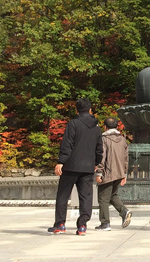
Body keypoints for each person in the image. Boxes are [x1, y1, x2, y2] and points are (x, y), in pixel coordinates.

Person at [48, 98, 103, 236]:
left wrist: (61, 161)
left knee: (63, 195)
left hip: (71, 165)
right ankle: (82, 225)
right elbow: (99, 149)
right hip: (88, 166)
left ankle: (60, 224)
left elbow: (67, 144)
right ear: (90, 110)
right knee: (86, 196)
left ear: (76, 110)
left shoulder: (73, 124)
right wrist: (96, 162)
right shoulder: (97, 129)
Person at [94, 117, 132, 231]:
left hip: (107, 172)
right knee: (113, 195)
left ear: (105, 127)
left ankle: (105, 223)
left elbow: (102, 156)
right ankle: (124, 212)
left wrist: (99, 172)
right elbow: (126, 158)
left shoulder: (104, 139)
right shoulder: (123, 139)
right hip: (119, 172)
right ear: (116, 126)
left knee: (103, 198)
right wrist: (124, 174)